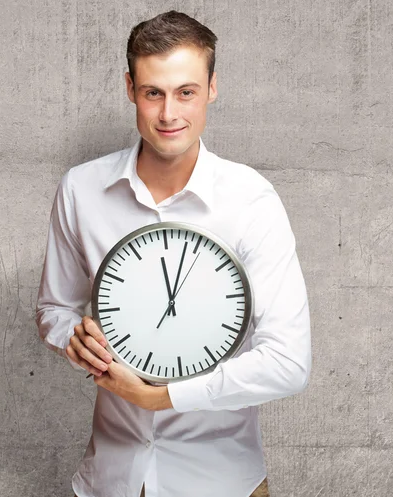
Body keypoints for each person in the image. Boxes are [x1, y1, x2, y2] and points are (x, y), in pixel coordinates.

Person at [35, 10, 311, 497]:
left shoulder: (251, 199)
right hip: (110, 480)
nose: (169, 114)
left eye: (186, 92)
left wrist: (165, 397)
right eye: (153, 93)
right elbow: (55, 309)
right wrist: (70, 339)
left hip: (221, 482)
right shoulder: (81, 189)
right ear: (130, 88)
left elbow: (288, 362)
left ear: (211, 88)